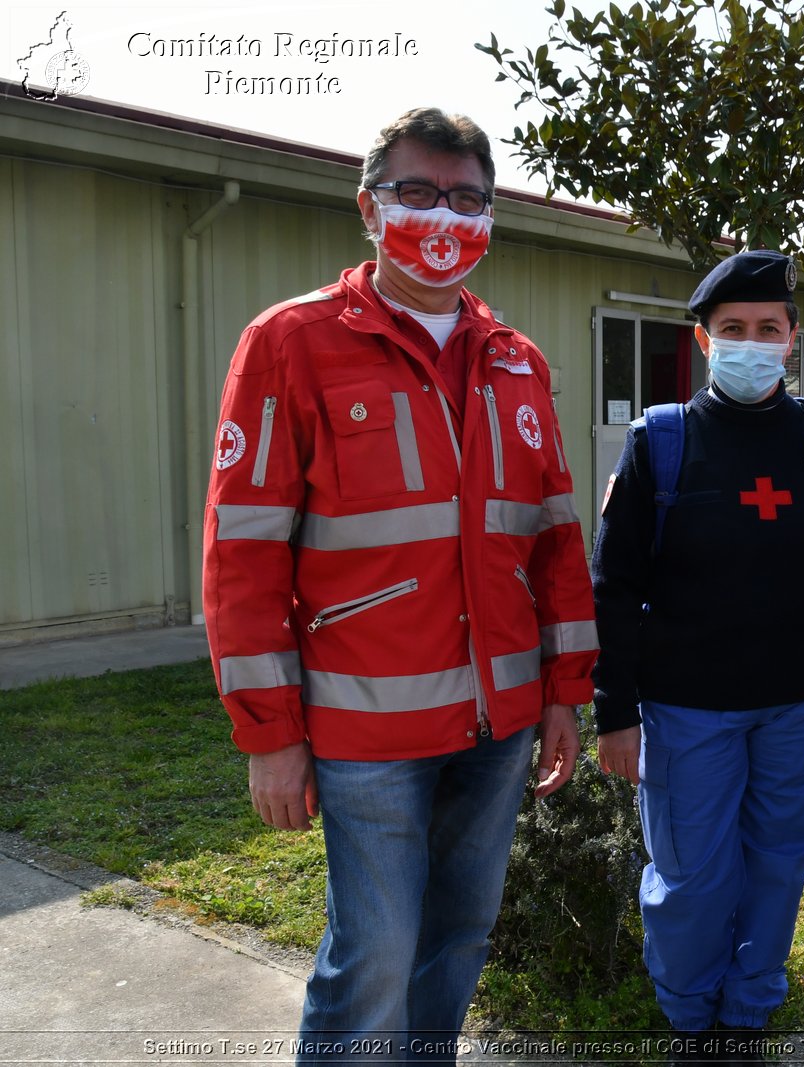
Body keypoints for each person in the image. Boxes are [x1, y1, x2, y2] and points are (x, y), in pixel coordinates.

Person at [202, 107, 597, 1063]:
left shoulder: (517, 362)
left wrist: (563, 693)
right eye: (417, 192)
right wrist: (270, 734)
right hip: (365, 732)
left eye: (467, 198)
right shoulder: (290, 344)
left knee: (457, 942)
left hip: (497, 728)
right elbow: (243, 553)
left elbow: (552, 544)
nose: (444, 216)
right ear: (369, 208)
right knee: (372, 958)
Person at [589, 250, 804, 1063]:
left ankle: (747, 1015)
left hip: (799, 704)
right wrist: (616, 712)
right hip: (686, 707)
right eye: (732, 329)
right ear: (704, 340)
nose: (752, 342)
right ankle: (690, 1019)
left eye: (767, 329)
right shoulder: (661, 442)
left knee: (779, 864)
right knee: (691, 877)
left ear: (792, 339)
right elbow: (612, 585)